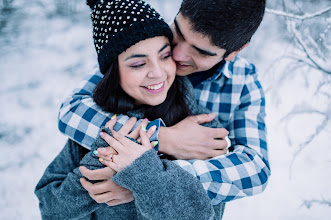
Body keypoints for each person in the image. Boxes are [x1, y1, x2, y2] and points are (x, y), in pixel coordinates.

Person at [60, 0, 270, 213]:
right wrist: (163, 138)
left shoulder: (241, 82)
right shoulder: (146, 39)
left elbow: (255, 169)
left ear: (234, 51)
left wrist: (149, 181)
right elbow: (71, 111)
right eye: (178, 31)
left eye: (200, 51)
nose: (177, 54)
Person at [35, 0, 226, 219]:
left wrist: (143, 177)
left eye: (164, 56)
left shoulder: (202, 129)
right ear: (114, 73)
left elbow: (207, 215)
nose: (157, 73)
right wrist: (102, 160)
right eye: (138, 64)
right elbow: (51, 210)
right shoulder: (101, 125)